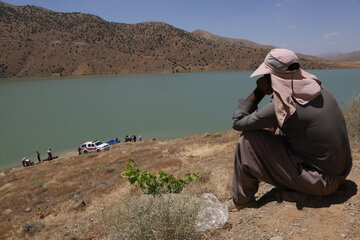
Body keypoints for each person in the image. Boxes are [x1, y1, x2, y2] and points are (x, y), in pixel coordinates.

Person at [229, 48, 352, 210]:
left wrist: (259, 91)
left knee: (247, 140)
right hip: (342, 173)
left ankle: (242, 201)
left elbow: (238, 122)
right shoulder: (317, 88)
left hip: (322, 183)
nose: (265, 78)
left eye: (267, 75)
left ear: (273, 76)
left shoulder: (285, 103)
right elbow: (279, 122)